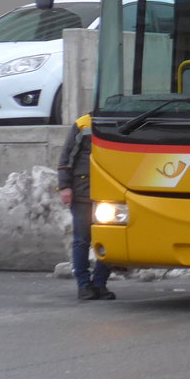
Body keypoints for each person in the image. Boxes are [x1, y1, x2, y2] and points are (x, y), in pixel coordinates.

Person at [57, 115, 114, 300]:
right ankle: (83, 285)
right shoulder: (83, 124)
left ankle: (99, 283)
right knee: (82, 240)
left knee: (110, 239)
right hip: (83, 192)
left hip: (110, 193)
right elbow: (66, 158)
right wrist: (65, 186)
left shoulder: (120, 123)